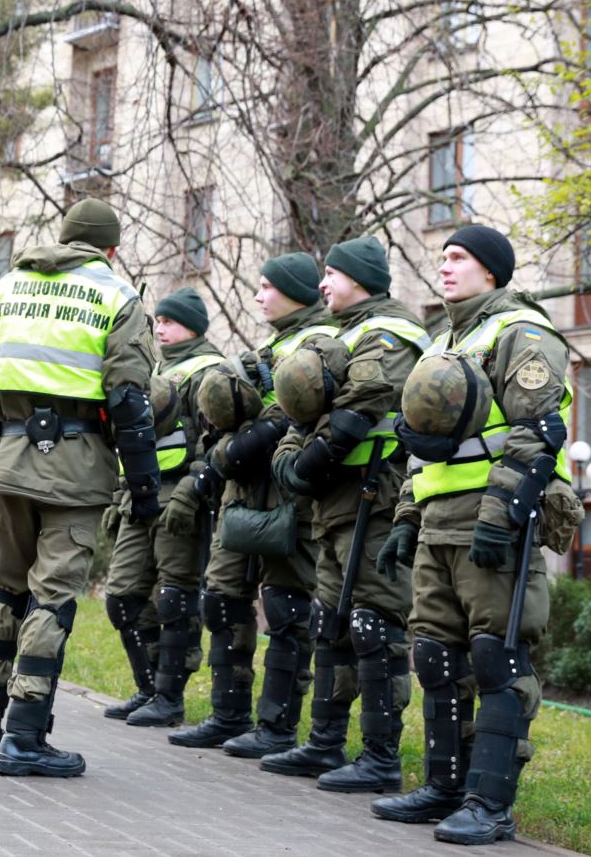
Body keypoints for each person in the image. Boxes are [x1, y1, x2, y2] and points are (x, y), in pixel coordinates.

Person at [370, 225, 583, 845]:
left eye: (458, 257)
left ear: (491, 271)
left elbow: (538, 431)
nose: (445, 266)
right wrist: (407, 519)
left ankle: (490, 803)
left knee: (497, 655)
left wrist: (501, 511)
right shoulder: (445, 337)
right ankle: (444, 787)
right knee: (436, 655)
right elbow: (425, 448)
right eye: (442, 257)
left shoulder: (522, 331)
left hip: (492, 515)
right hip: (439, 517)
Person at [0, 197, 160, 777]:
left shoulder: (9, 286)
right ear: (110, 248)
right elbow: (129, 399)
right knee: (51, 600)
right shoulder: (116, 295)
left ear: (64, 237)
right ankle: (23, 737)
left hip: (7, 460)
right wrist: (143, 485)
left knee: (6, 591)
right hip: (74, 469)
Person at [262, 236, 429, 792]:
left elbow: (361, 402)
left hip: (373, 497)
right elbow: (303, 406)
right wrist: (292, 460)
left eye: (331, 274)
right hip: (335, 503)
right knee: (328, 622)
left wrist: (306, 462)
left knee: (375, 624)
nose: (323, 284)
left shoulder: (391, 333)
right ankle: (325, 743)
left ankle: (381, 758)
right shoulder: (344, 331)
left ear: (359, 278)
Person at [169, 253, 343, 756]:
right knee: (221, 600)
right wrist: (227, 447)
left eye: (267, 286)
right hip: (241, 493)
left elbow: (282, 419)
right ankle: (228, 715)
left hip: (288, 494)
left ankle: (278, 726)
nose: (258, 295)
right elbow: (227, 420)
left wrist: (232, 447)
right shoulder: (269, 346)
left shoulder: (320, 343)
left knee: (287, 609)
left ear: (293, 291)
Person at [101, 288, 225, 727]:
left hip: (179, 503)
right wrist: (121, 495)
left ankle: (169, 698)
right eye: (159, 322)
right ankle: (148, 687)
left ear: (193, 324)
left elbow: (217, 445)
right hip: (138, 500)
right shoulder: (151, 370)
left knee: (175, 598)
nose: (162, 329)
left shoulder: (211, 371)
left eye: (170, 321)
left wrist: (193, 490)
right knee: (122, 599)